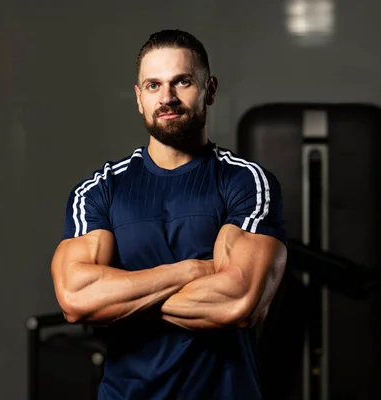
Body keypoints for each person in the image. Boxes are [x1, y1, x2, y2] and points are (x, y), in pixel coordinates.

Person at [51, 29, 288, 400]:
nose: (167, 98)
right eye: (153, 85)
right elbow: (77, 297)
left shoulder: (246, 182)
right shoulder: (101, 189)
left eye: (182, 82)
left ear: (209, 89)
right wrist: (193, 271)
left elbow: (239, 301)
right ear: (138, 98)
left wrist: (119, 297)